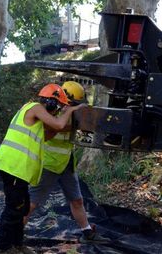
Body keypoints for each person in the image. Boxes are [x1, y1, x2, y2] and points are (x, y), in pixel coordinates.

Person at [0, 83, 87, 254]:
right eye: (57, 105)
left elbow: (49, 133)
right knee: (13, 208)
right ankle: (2, 248)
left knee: (24, 206)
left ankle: (17, 244)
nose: (58, 110)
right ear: (51, 102)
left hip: (19, 168)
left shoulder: (35, 113)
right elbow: (57, 125)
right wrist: (69, 111)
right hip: (13, 166)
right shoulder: (36, 108)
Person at [25, 81, 108, 244]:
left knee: (77, 200)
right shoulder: (51, 113)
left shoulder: (74, 116)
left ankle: (88, 233)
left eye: (75, 104)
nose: (71, 106)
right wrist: (71, 121)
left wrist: (87, 120)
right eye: (71, 104)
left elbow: (86, 137)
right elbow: (53, 128)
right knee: (32, 202)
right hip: (49, 164)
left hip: (66, 164)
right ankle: (12, 234)